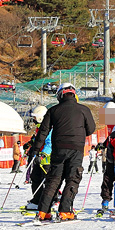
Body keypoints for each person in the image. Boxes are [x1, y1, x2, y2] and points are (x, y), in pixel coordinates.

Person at [29, 83, 96, 221]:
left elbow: (43, 131)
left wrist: (35, 151)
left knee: (53, 180)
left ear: (60, 95)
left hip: (58, 149)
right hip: (76, 149)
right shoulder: (84, 110)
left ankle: (43, 211)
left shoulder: (53, 110)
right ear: (74, 94)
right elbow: (91, 129)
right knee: (73, 178)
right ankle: (65, 211)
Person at [24, 106, 53, 212]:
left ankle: (54, 199)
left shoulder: (48, 128)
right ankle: (37, 200)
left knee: (49, 181)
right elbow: (38, 140)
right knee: (35, 178)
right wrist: (30, 144)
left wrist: (43, 155)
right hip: (38, 159)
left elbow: (50, 142)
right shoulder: (39, 128)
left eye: (35, 117)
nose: (34, 120)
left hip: (46, 160)